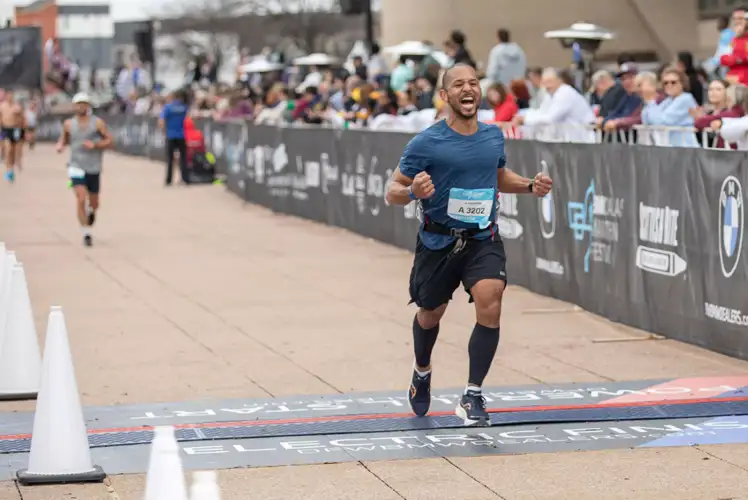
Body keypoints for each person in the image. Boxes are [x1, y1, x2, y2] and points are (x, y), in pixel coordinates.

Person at [385, 64, 553, 427]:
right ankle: (422, 370)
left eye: (474, 83)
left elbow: (497, 177)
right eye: (458, 84)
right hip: (438, 241)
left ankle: (472, 394)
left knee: (491, 297)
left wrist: (528, 186)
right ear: (445, 96)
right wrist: (412, 191)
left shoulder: (493, 136)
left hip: (482, 237)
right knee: (430, 313)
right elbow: (392, 191)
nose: (468, 89)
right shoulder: (426, 142)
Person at [55, 93, 113, 247]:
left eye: (84, 104)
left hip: (93, 166)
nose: (81, 107)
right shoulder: (68, 124)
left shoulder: (97, 123)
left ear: (89, 106)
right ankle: (85, 233)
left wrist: (95, 145)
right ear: (74, 106)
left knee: (94, 202)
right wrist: (60, 145)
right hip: (75, 166)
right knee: (81, 198)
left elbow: (110, 140)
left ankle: (92, 212)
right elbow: (64, 138)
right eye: (78, 104)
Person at [159, 89, 189, 186]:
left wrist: (163, 131)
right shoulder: (183, 107)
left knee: (170, 159)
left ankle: (169, 180)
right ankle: (185, 179)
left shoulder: (168, 107)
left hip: (171, 135)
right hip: (181, 135)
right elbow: (188, 119)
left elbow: (162, 121)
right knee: (183, 159)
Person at [0, 90, 26, 182]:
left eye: (11, 95)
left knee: (14, 151)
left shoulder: (17, 107)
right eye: (8, 95)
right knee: (8, 149)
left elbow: (23, 118)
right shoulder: (2, 106)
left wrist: (23, 130)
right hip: (5, 129)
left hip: (15, 129)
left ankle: (13, 166)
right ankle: (8, 170)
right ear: (6, 96)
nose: (10, 97)